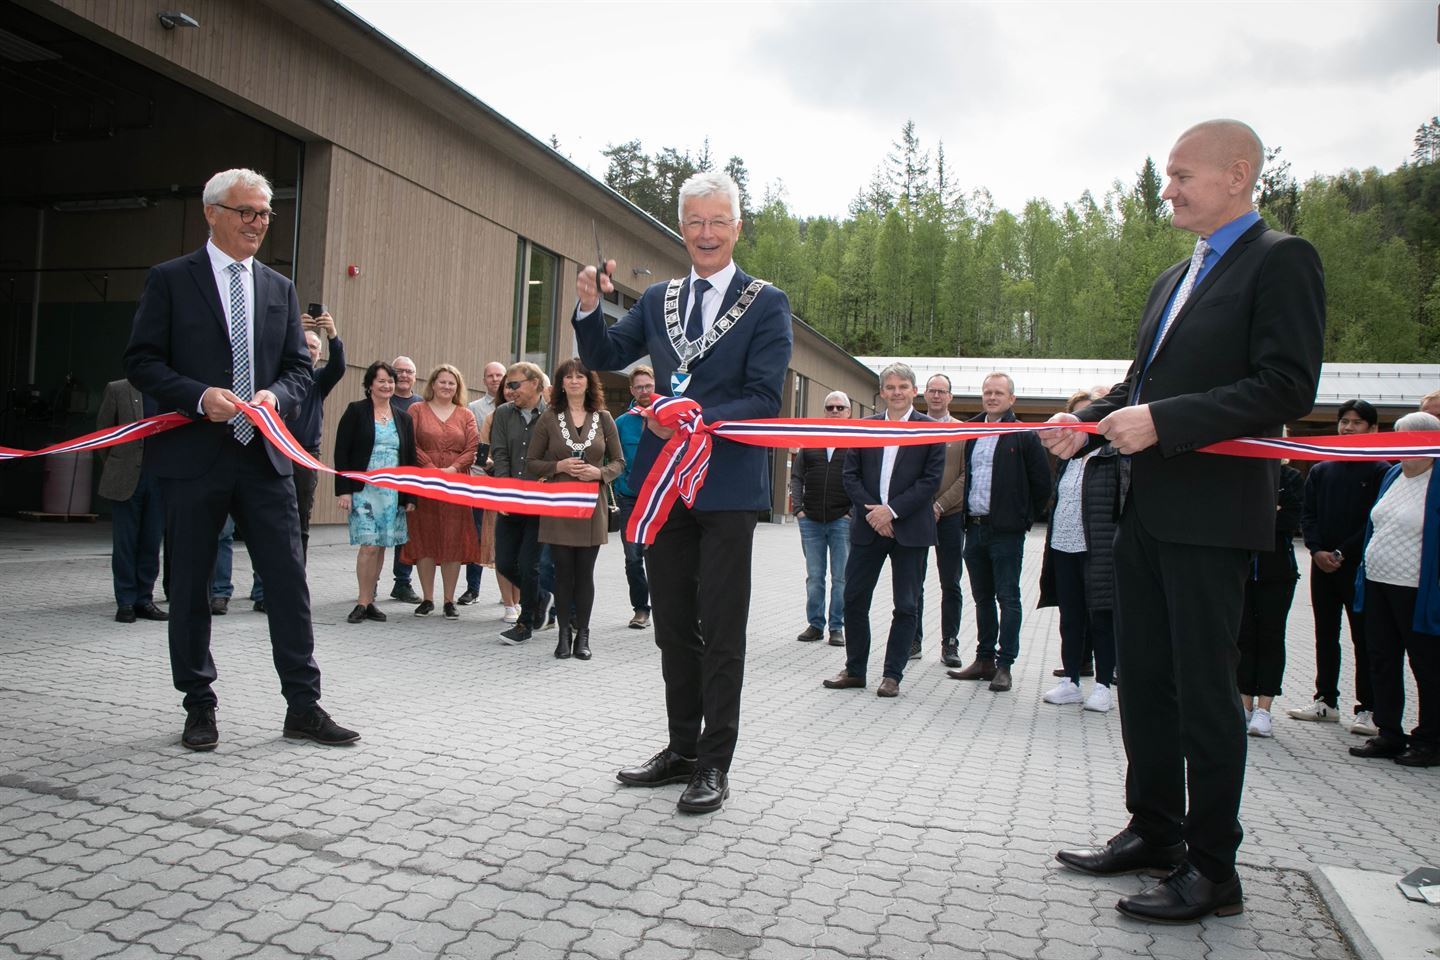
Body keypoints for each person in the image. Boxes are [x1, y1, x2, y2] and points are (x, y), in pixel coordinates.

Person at [1044, 120, 1324, 923]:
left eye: (1180, 175)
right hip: (1145, 513)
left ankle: (1214, 870)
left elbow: (1285, 387)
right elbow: (1139, 383)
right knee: (1147, 687)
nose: (1167, 189)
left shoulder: (1282, 260)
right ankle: (1155, 831)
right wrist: (1087, 422)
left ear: (1237, 175)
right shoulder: (1173, 278)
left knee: (1205, 696)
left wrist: (1164, 421)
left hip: (1212, 517)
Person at [573, 170, 792, 815]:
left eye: (717, 221)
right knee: (672, 624)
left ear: (737, 227)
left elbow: (762, 397)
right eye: (694, 221)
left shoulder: (765, 302)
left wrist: (687, 410)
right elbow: (609, 355)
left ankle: (716, 762)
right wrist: (589, 307)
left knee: (722, 627)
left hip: (725, 486)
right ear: (682, 227)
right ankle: (682, 749)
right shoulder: (660, 298)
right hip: (667, 488)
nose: (705, 233)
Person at [123, 166, 360, 750]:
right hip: (192, 460)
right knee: (192, 589)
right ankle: (198, 705)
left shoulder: (277, 289)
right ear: (212, 212)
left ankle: (303, 706)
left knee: (287, 585)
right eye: (246, 212)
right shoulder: (171, 280)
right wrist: (199, 397)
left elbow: (300, 369)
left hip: (265, 461)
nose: (257, 223)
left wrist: (275, 397)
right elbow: (143, 361)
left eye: (264, 214)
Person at [822, 365, 943, 698]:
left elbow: (930, 480)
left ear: (913, 390)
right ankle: (855, 669)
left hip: (911, 529)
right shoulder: (865, 427)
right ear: (882, 391)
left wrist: (892, 511)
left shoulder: (930, 430)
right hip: (868, 527)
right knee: (854, 599)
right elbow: (851, 476)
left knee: (906, 605)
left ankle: (892, 675)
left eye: (903, 386)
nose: (896, 392)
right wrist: (875, 512)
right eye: (890, 387)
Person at [948, 372, 1052, 693]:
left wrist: (1023, 519)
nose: (992, 398)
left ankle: (1004, 664)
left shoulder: (1023, 435)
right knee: (982, 598)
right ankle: (984, 660)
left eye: (998, 393)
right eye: (987, 392)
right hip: (975, 528)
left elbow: (1042, 484)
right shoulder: (973, 431)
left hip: (1006, 532)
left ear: (1011, 399)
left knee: (1007, 598)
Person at [1291, 400, 1389, 734]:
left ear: (1373, 429)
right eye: (1343, 421)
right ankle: (1325, 701)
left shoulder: (1381, 470)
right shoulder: (1322, 469)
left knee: (1364, 637)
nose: (1348, 428)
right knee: (1325, 633)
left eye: (1357, 422)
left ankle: (1368, 708)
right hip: (1323, 565)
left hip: (1358, 567)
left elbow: (1375, 519)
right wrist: (1317, 550)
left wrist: (1342, 553)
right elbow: (1309, 515)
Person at [1350, 410, 1440, 767]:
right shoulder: (1392, 474)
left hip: (1418, 590)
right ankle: (1388, 732)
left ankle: (1430, 739)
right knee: (1382, 659)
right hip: (1378, 582)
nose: (1397, 442)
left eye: (1405, 436)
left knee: (1427, 665)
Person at [526, 358, 623, 660]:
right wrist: (558, 466)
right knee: (562, 574)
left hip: (592, 506)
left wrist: (599, 473)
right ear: (560, 384)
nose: (574, 381)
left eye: (580, 376)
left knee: (585, 573)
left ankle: (583, 634)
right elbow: (531, 462)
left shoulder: (604, 418)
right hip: (559, 504)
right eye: (568, 377)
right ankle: (563, 635)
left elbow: (619, 462)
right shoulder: (549, 417)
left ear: (589, 382)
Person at [1037, 388, 1120, 713]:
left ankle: (1102, 685)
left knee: (1101, 617)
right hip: (1063, 546)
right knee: (1070, 617)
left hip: (1098, 548)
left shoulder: (1114, 455)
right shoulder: (1067, 458)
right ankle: (1070, 679)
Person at [334, 361, 416, 624]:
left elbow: (410, 459)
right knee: (368, 545)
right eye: (381, 380)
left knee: (381, 546)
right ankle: (361, 601)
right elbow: (341, 452)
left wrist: (410, 496)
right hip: (363, 490)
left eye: (390, 381)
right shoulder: (356, 411)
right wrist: (344, 491)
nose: (387, 385)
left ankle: (371, 602)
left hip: (392, 493)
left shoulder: (403, 418)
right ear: (370, 384)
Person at [399, 364, 482, 620]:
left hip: (456, 484)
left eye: (452, 383)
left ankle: (449, 600)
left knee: (452, 540)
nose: (447, 387)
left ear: (457, 388)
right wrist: (431, 469)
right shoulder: (417, 410)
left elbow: (473, 447)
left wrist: (454, 468)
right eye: (442, 382)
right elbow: (410, 443)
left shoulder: (465, 414)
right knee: (425, 539)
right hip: (425, 483)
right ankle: (427, 598)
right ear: (432, 384)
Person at [1235, 462, 1303, 737]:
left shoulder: (1291, 477)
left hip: (1278, 572)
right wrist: (1267, 513)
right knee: (1243, 636)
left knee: (1271, 637)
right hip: (1240, 570)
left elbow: (1290, 520)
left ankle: (1265, 707)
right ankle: (1243, 703)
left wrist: (1257, 515)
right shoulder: (1241, 472)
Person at [96, 378, 167, 624]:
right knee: (125, 543)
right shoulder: (117, 389)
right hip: (126, 478)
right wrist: (116, 466)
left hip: (159, 477)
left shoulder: (167, 391)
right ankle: (125, 601)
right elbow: (103, 433)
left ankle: (144, 599)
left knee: (151, 542)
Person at [491, 361, 549, 643]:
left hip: (541, 502)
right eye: (507, 385)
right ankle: (540, 598)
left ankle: (525, 624)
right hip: (511, 500)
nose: (509, 390)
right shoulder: (502, 414)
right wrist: (503, 491)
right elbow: (500, 454)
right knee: (503, 563)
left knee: (529, 564)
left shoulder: (553, 415)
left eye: (514, 384)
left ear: (536, 384)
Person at [791, 390, 853, 647]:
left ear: (849, 412)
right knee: (815, 576)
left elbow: (865, 479)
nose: (835, 411)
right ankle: (815, 625)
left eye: (840, 407)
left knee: (840, 577)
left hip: (842, 520)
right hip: (811, 521)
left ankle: (837, 627)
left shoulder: (855, 442)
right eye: (830, 407)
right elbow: (797, 476)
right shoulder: (811, 439)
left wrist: (853, 513)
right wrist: (798, 509)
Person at [916, 373, 966, 666]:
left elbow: (965, 475)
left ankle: (950, 642)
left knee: (951, 582)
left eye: (942, 391)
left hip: (950, 515)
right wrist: (923, 505)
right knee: (914, 580)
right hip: (917, 514)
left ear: (950, 397)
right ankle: (913, 639)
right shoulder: (914, 428)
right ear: (924, 394)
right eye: (932, 391)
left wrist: (940, 505)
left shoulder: (961, 432)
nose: (936, 396)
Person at [460, 360, 508, 606]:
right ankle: (473, 588)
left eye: (499, 375)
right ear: (484, 380)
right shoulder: (474, 408)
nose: (495, 379)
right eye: (490, 376)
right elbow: (473, 445)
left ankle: (509, 593)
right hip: (481, 479)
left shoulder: (517, 405)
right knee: (478, 534)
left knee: (508, 537)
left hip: (509, 483)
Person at [614, 366, 657, 629]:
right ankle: (641, 608)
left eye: (648, 386)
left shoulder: (668, 418)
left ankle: (667, 606)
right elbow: (613, 458)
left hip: (660, 498)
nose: (644, 391)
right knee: (633, 556)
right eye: (639, 387)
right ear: (631, 390)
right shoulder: (621, 423)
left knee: (661, 555)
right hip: (630, 498)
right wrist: (619, 484)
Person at [388, 355, 422, 604]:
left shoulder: (421, 404)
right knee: (374, 533)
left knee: (405, 531)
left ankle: (402, 582)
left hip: (409, 475)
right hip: (381, 473)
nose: (403, 375)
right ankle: (370, 583)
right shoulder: (379, 400)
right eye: (398, 371)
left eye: (408, 371)